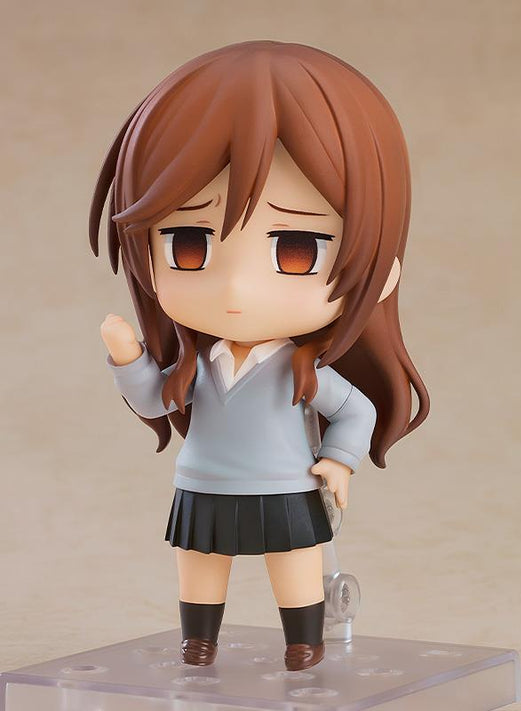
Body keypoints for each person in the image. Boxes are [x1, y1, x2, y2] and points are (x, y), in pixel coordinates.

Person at [89, 40, 429, 671]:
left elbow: (355, 410)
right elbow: (151, 399)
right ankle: (199, 638)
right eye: (188, 244)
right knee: (199, 560)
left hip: (285, 482)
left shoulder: (302, 371)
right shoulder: (197, 365)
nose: (236, 289)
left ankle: (304, 639)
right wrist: (127, 357)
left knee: (294, 560)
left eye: (296, 249)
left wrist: (339, 462)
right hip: (204, 479)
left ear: (379, 271)